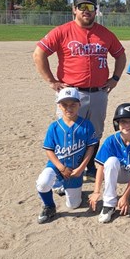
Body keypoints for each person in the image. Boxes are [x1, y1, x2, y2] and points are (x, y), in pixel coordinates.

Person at [33, 0, 126, 180]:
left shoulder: (105, 33)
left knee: (95, 131)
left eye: (90, 7)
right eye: (82, 6)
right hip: (72, 92)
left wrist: (115, 78)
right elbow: (39, 53)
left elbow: (120, 55)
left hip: (99, 92)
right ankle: (62, 172)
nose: (86, 10)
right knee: (66, 131)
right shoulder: (62, 31)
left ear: (95, 11)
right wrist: (52, 81)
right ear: (74, 9)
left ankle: (90, 167)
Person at [35, 88, 97, 224]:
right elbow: (49, 150)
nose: (69, 108)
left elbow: (90, 148)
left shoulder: (86, 125)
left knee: (73, 205)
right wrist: (61, 168)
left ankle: (70, 188)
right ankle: (49, 206)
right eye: (64, 105)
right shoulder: (54, 127)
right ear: (59, 106)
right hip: (57, 166)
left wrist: (81, 169)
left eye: (73, 104)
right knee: (42, 183)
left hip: (75, 170)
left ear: (79, 104)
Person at [88, 103, 130, 223]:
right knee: (111, 161)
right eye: (123, 121)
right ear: (117, 123)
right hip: (117, 173)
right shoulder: (111, 141)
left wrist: (125, 196)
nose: (127, 125)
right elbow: (101, 167)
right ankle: (109, 205)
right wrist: (96, 191)